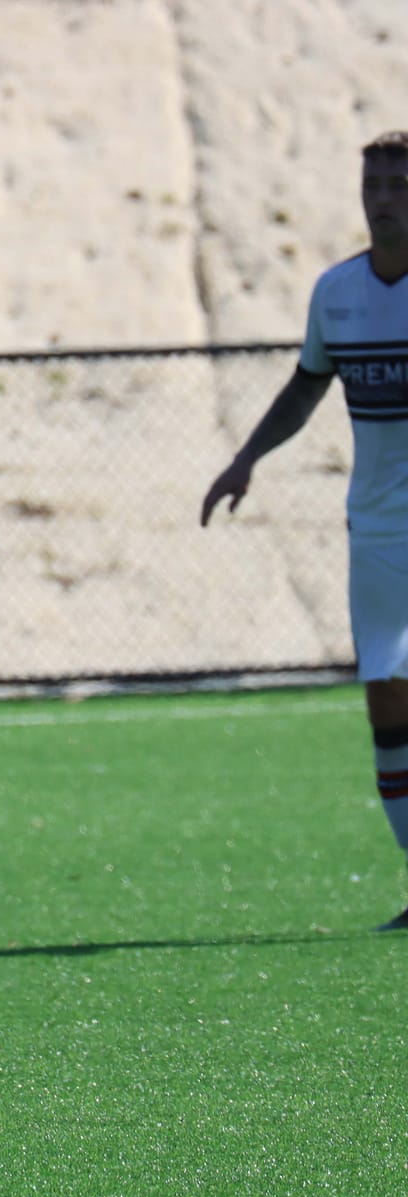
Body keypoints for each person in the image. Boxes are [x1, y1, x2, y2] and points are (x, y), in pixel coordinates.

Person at [202, 130, 408, 930]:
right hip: (379, 531)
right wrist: (246, 457)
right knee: (387, 701)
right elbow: (307, 386)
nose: (383, 195)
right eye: (374, 183)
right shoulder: (337, 293)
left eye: (398, 181)